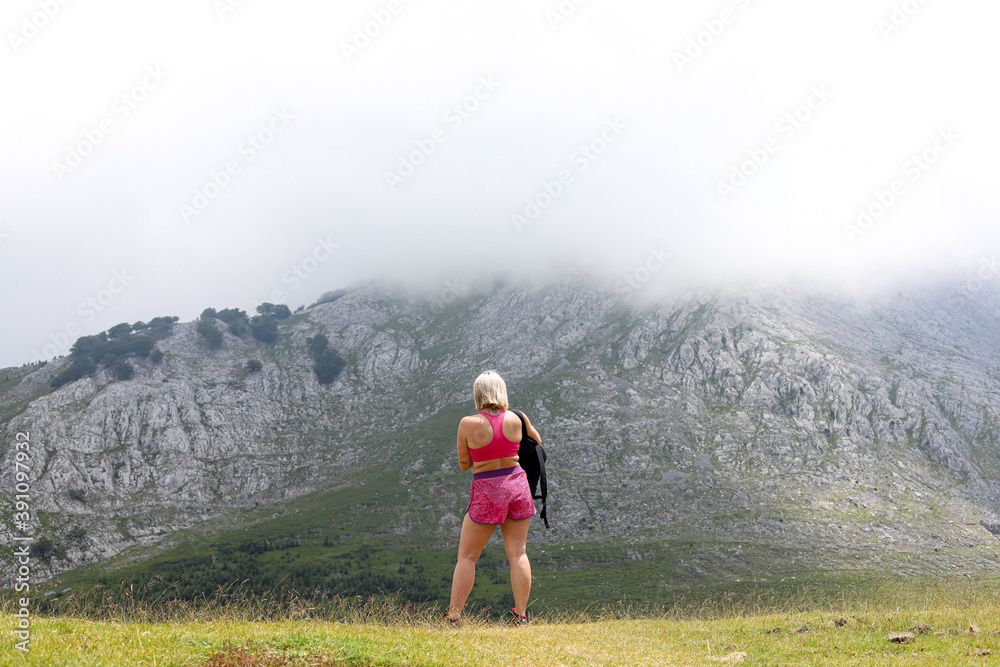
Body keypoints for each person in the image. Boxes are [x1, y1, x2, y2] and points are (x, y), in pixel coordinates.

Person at [445, 370, 542, 627]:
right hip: (518, 486)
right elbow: (537, 442)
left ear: (478, 393)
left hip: (488, 489)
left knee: (467, 557)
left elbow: (464, 464)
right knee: (518, 553)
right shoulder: (518, 418)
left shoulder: (468, 423)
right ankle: (520, 617)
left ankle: (454, 618)